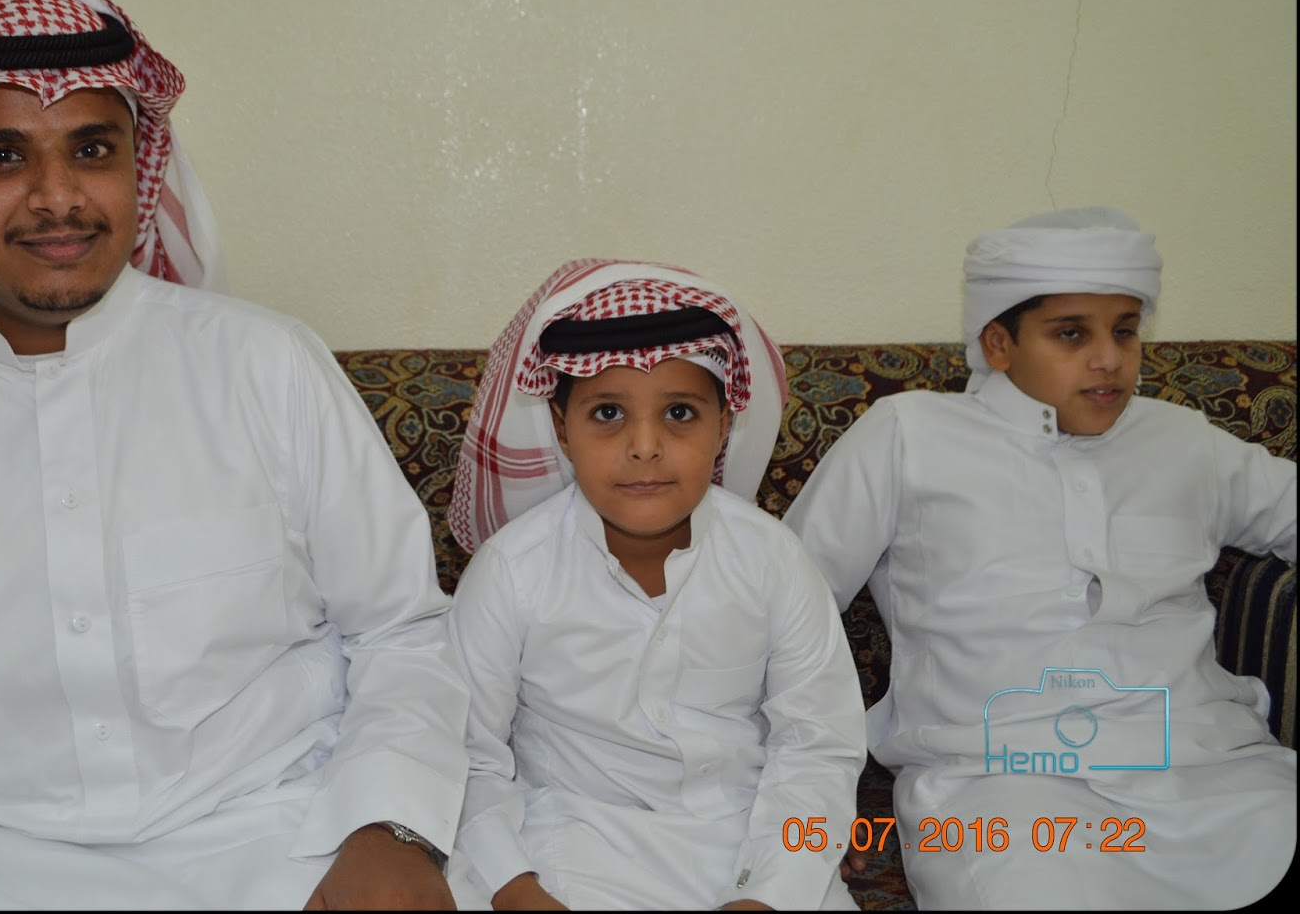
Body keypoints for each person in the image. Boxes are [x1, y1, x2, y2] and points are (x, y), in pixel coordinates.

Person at [0, 0, 470, 910]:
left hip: (273, 835)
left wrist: (391, 827)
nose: (57, 197)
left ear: (137, 170)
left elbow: (400, 633)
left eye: (93, 150)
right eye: (2, 156)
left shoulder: (266, 366)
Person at [783, 207, 1296, 909]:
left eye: (1124, 330)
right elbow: (783, 606)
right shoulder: (910, 435)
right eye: (1071, 334)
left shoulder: (1185, 440)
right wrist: (799, 800)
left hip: (1219, 773)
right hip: (1003, 791)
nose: (1109, 358)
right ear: (999, 343)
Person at [444, 259, 867, 911]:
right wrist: (519, 891)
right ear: (561, 429)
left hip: (750, 849)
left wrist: (770, 894)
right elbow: (467, 755)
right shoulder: (510, 571)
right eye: (608, 412)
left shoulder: (774, 560)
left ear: (723, 426)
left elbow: (818, 749)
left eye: (679, 413)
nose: (645, 446)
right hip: (567, 852)